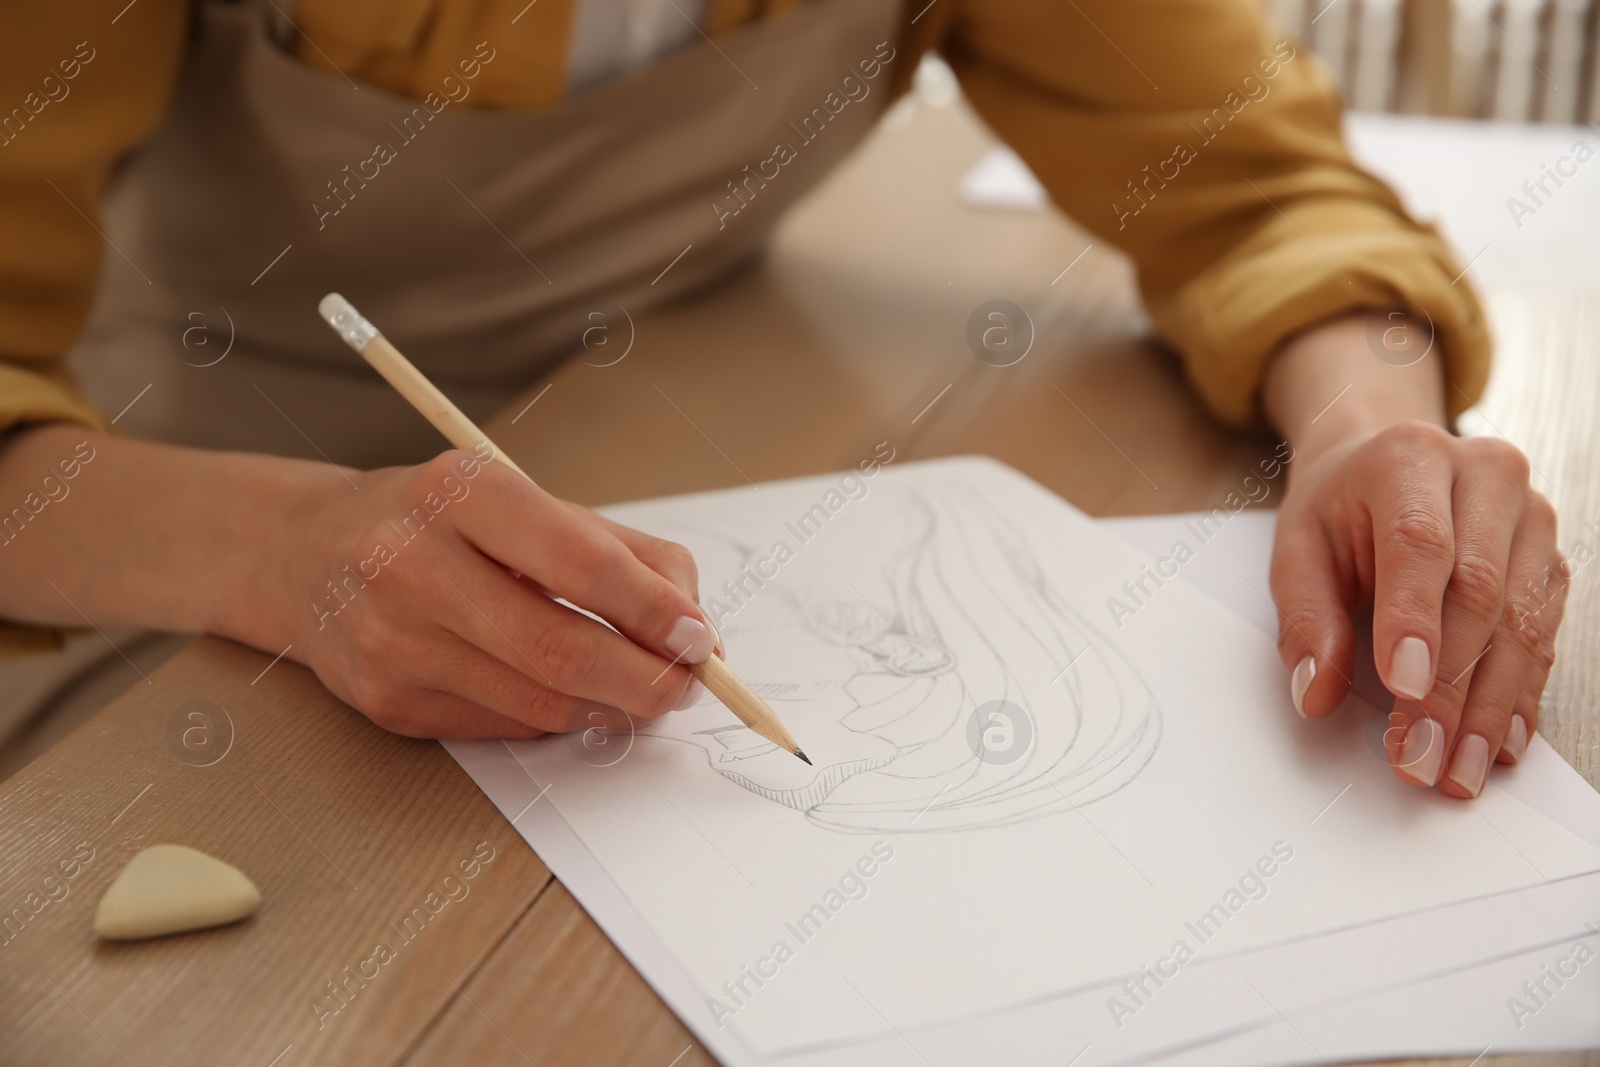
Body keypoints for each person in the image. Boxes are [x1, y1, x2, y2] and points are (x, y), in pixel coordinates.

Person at [0, 0, 1564, 802]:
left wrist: (1371, 431)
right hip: (174, 477)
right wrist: (273, 553)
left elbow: (1260, 185)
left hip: (693, 380)